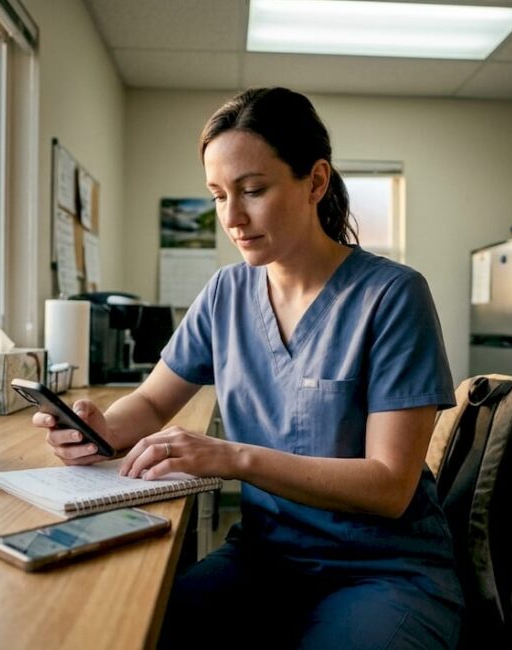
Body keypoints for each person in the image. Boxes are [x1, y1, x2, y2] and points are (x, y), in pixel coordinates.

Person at [34, 87, 463, 649]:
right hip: (267, 558)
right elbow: (152, 400)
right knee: (133, 631)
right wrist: (99, 429)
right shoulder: (226, 293)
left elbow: (389, 485)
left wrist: (232, 458)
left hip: (382, 570)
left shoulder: (392, 296)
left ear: (315, 181)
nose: (232, 218)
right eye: (217, 196)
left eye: (253, 191)